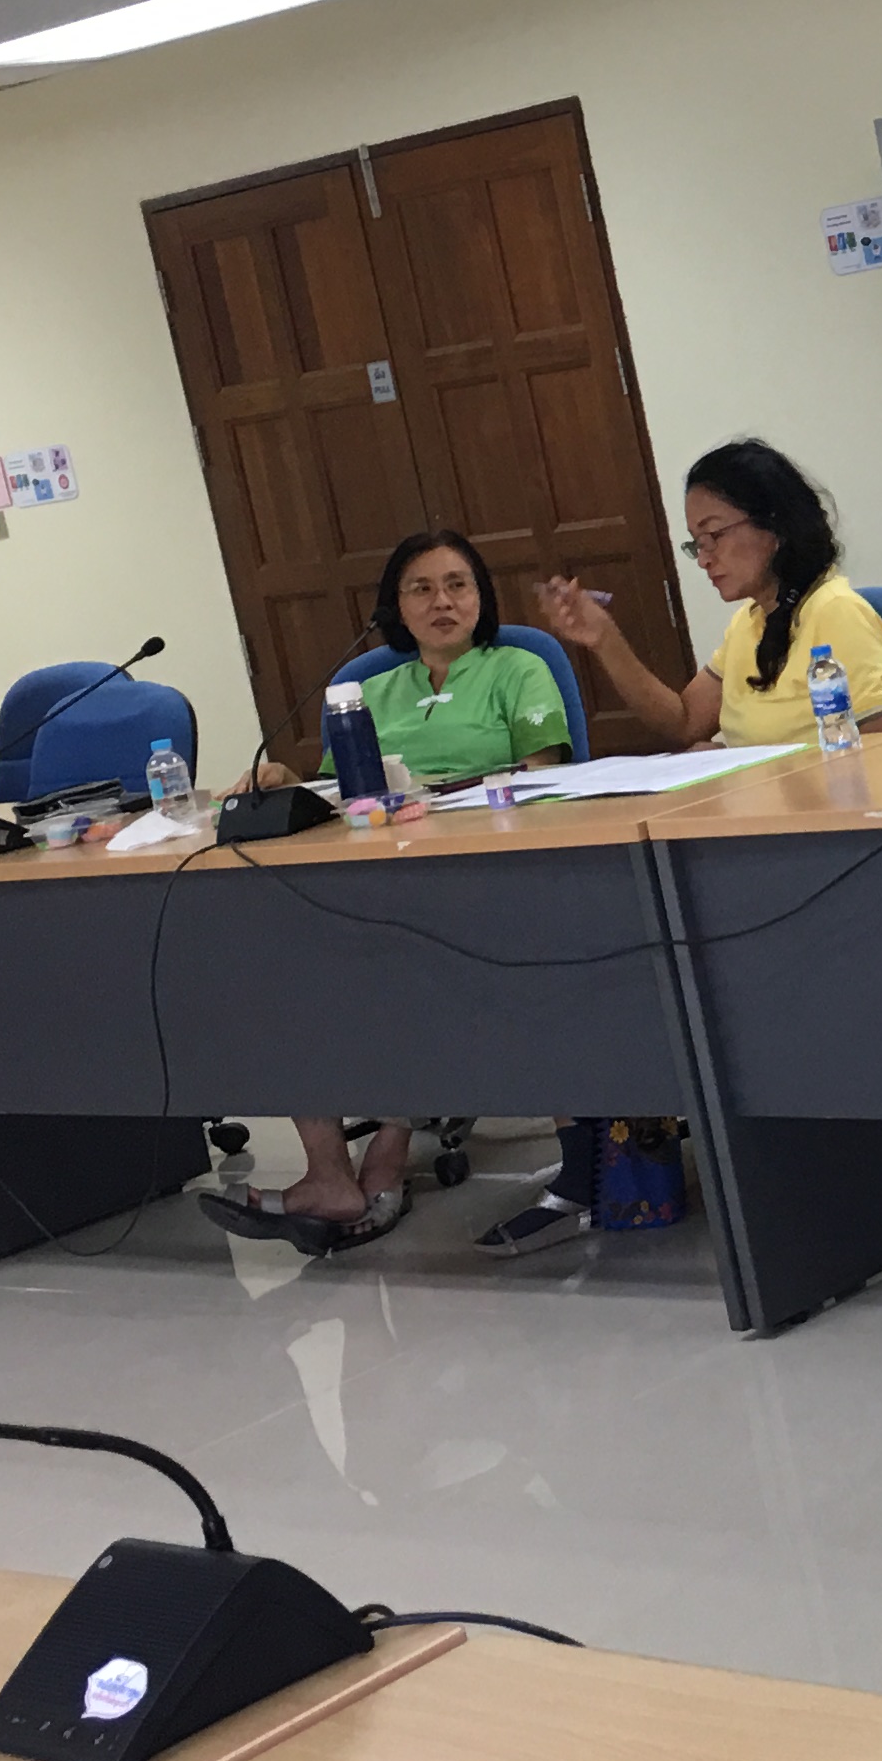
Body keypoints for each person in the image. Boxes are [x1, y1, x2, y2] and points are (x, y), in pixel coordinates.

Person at [198, 529, 578, 1259]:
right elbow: (340, 795)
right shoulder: (368, 690)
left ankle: (387, 1153)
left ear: (482, 596)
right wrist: (285, 780)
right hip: (376, 872)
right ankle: (328, 1173)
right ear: (395, 607)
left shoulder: (520, 668)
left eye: (458, 584)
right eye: (421, 589)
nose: (442, 601)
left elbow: (542, 778)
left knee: (398, 960)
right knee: (284, 961)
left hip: (485, 873)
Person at [535, 437, 882, 751]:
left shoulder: (836, 612)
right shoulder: (750, 622)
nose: (704, 559)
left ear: (774, 525)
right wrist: (604, 638)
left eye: (714, 535)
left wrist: (744, 772)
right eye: (697, 543)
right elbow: (685, 722)